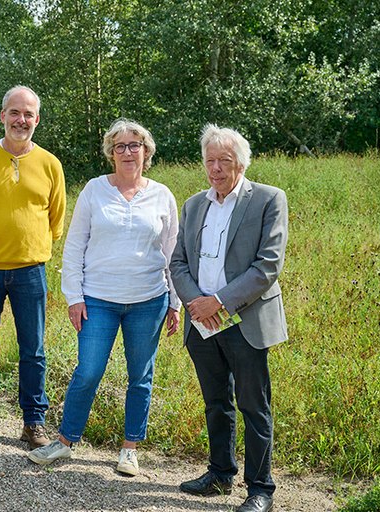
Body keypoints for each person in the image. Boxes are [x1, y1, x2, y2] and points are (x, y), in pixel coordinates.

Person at [26, 119, 181, 474]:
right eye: (120, 146)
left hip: (149, 300)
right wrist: (74, 297)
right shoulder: (95, 191)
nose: (128, 152)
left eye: (135, 145)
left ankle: (129, 448)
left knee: (140, 375)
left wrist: (175, 301)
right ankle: (65, 442)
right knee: (89, 370)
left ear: (146, 151)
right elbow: (75, 245)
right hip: (98, 300)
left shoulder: (162, 195)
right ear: (111, 153)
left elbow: (173, 253)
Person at [170, 124, 288, 512]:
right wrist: (197, 303)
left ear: (241, 163)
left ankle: (260, 489)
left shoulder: (269, 200)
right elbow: (178, 262)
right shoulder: (193, 205)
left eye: (225, 161)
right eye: (210, 161)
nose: (216, 169)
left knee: (254, 405)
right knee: (216, 401)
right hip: (201, 323)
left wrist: (218, 301)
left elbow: (267, 265)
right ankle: (220, 473)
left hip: (245, 321)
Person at [0, 85, 66, 449]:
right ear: (2, 116)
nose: (21, 120)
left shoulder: (50, 164)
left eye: (28, 114)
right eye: (14, 113)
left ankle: (33, 421)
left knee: (32, 348)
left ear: (37, 119)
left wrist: (27, 243)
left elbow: (56, 218)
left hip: (30, 270)